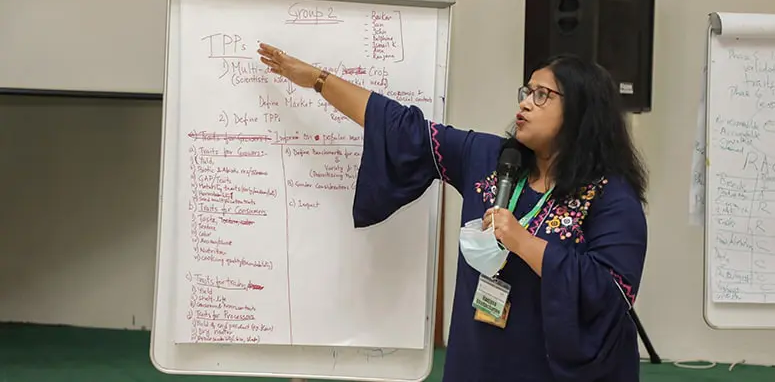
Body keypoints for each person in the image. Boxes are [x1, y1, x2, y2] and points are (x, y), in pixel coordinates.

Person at [257, 43, 649, 381]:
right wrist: (318, 80)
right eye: (527, 91)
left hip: (552, 369)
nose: (525, 103)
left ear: (580, 111)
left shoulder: (611, 197)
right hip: (479, 360)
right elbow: (399, 126)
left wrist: (524, 242)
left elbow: (611, 292)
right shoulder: (491, 158)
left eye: (542, 95)